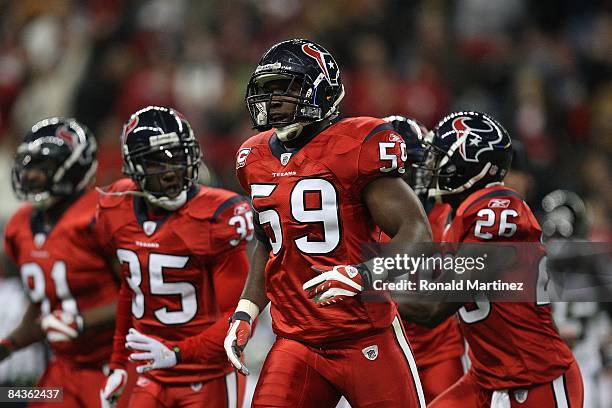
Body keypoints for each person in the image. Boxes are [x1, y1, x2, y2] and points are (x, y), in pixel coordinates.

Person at [224, 38, 431, 407]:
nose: (272, 101)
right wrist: (247, 310)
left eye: (284, 89)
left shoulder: (357, 143)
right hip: (296, 341)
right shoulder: (252, 156)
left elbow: (417, 231)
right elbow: (267, 240)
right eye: (267, 90)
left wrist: (363, 274)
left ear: (319, 92)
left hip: (365, 335)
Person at [400, 111, 583, 407]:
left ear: (468, 164)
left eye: (440, 156)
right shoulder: (454, 216)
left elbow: (435, 306)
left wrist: (362, 288)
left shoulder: (497, 210)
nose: (430, 166)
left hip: (535, 378)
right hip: (487, 377)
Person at [97, 106, 251, 408]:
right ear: (135, 167)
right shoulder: (116, 207)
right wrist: (117, 363)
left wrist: (178, 352)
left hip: (208, 374)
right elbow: (131, 287)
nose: (171, 171)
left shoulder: (217, 216)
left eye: (177, 157)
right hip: (151, 373)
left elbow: (240, 318)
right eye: (157, 162)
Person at [2, 117, 120, 407]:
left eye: (43, 168)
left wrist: (82, 321)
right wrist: (8, 346)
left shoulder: (101, 216)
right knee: (12, 398)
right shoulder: (19, 226)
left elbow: (142, 297)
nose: (31, 176)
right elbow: (44, 301)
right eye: (29, 166)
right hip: (63, 370)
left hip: (115, 367)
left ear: (74, 169)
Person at [384, 115, 465, 403]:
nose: (409, 175)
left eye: (415, 166)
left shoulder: (449, 216)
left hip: (438, 352)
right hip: (383, 354)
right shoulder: (362, 219)